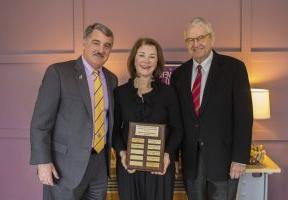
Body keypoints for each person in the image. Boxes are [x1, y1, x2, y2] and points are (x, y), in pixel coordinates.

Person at [30, 22, 118, 200]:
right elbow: (40, 123)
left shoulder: (111, 79)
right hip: (65, 167)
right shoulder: (59, 72)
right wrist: (43, 161)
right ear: (84, 42)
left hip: (99, 165)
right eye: (96, 42)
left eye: (107, 45)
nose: (101, 49)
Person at [171, 17, 253, 200]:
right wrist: (175, 156)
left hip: (223, 161)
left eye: (201, 37)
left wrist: (239, 158)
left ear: (211, 38)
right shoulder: (179, 75)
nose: (196, 43)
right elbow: (176, 120)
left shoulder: (234, 69)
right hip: (191, 161)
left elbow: (244, 117)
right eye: (190, 40)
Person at [112, 37, 182, 200]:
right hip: (129, 168)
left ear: (157, 62)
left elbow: (178, 129)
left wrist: (167, 155)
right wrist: (122, 154)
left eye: (152, 56)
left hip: (160, 168)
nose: (146, 61)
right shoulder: (120, 93)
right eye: (142, 55)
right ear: (134, 59)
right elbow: (115, 131)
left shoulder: (169, 92)